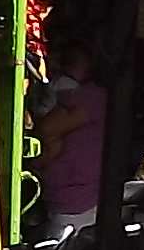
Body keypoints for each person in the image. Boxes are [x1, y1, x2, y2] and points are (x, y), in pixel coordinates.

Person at [30, 46, 110, 233]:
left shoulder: (93, 96)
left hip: (78, 205)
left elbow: (48, 129)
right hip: (63, 201)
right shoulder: (62, 96)